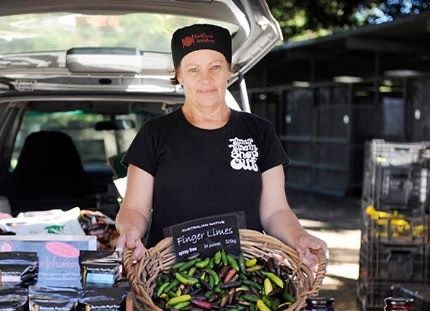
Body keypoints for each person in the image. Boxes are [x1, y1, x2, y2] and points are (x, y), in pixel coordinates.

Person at [115, 23, 327, 273]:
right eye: (193, 69)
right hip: (168, 280)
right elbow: (134, 209)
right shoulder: (154, 133)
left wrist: (299, 237)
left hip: (243, 279)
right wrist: (130, 233)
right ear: (179, 75)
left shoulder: (259, 131)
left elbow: (276, 211)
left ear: (230, 70)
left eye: (215, 66)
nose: (205, 78)